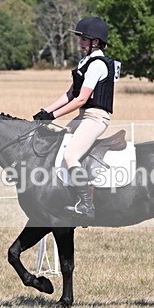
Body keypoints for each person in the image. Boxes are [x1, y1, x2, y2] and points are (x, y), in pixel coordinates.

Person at [33, 16, 118, 220]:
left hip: (96, 118)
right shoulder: (85, 62)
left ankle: (87, 205)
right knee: (57, 145)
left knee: (71, 155)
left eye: (83, 39)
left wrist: (53, 116)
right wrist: (46, 111)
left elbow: (81, 99)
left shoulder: (98, 65)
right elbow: (70, 93)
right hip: (83, 116)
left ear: (95, 42)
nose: (80, 42)